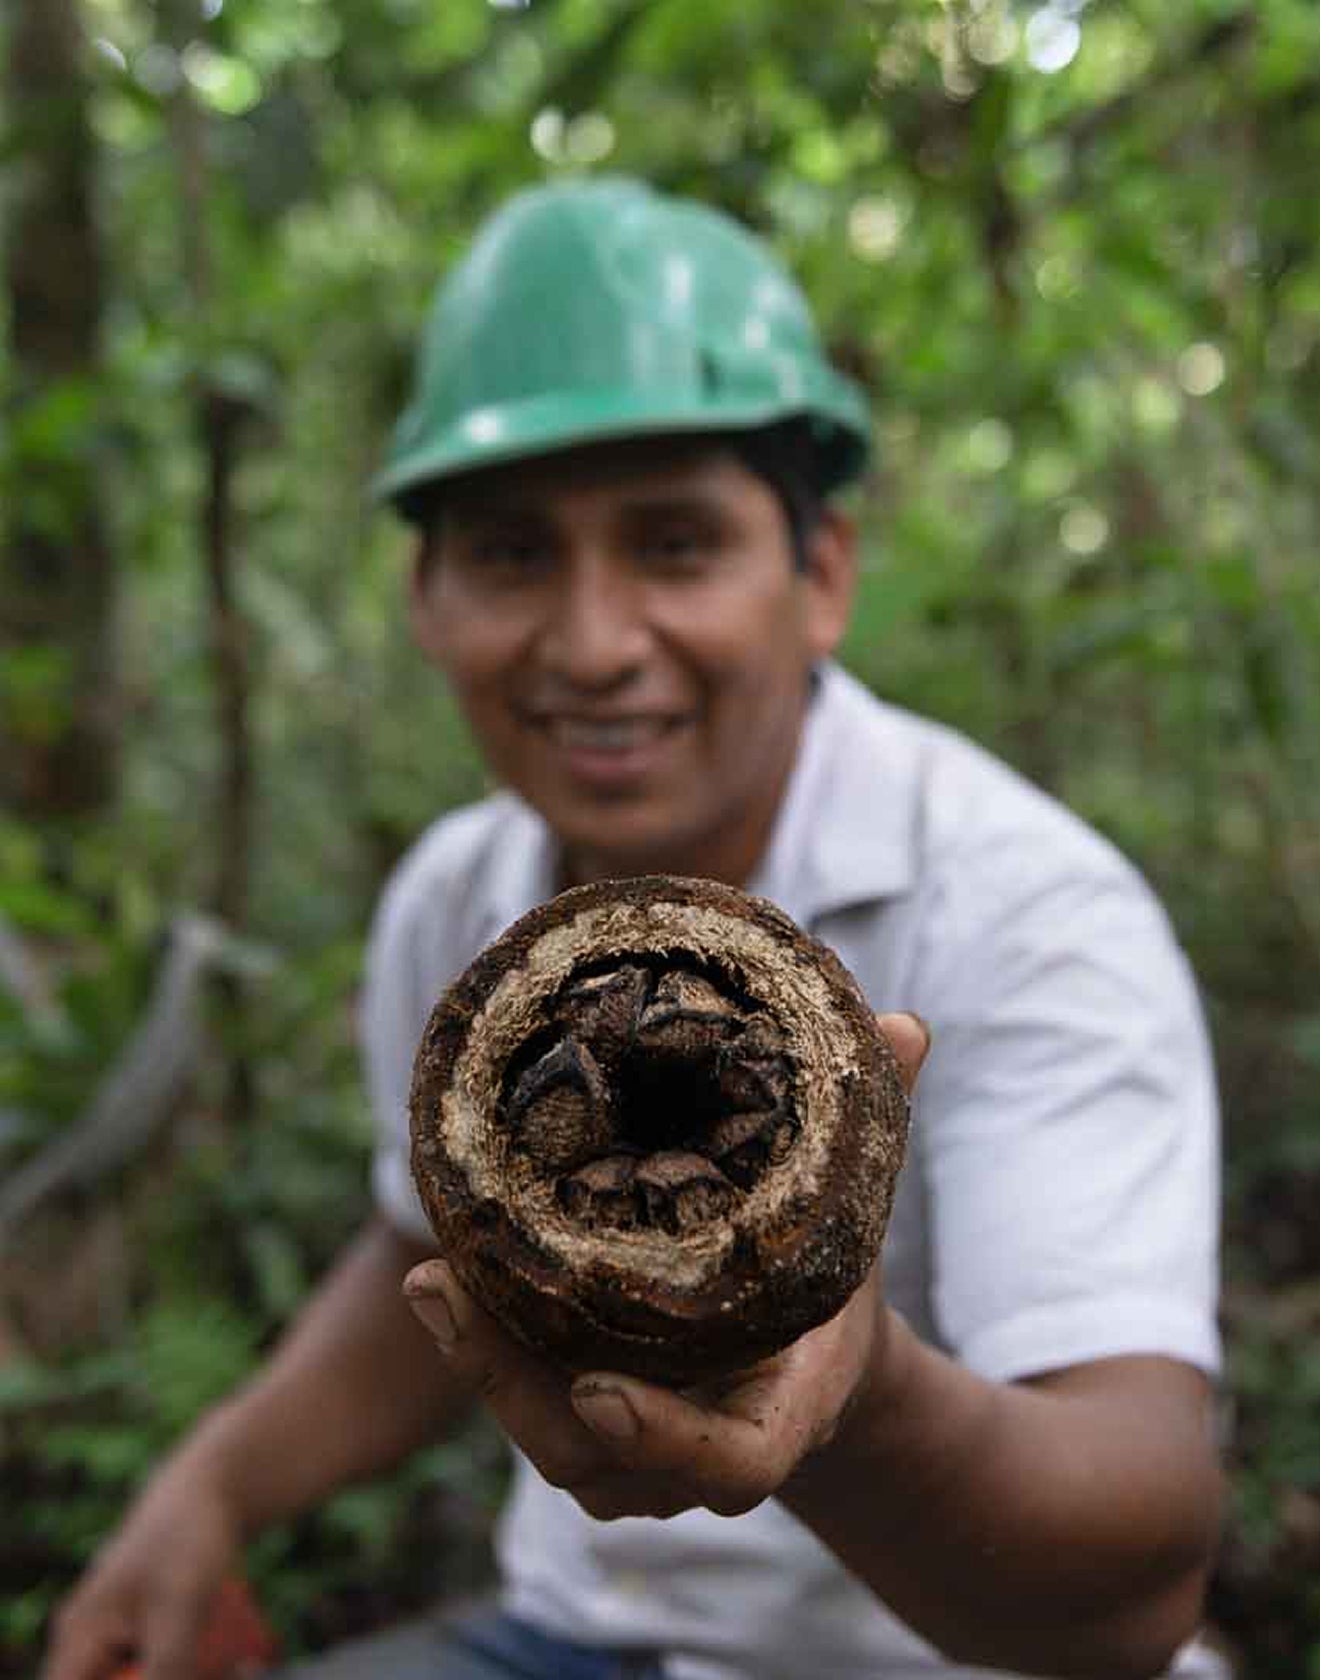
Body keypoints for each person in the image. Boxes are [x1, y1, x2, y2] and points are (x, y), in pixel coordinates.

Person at [44, 177, 1223, 1680]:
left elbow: (1134, 1585)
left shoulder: (1028, 912)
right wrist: (203, 1490)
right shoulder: (459, 897)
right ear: (426, 597)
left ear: (822, 578)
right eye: (514, 555)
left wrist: (857, 1394)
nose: (595, 645)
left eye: (674, 545)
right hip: (573, 1643)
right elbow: (420, 1259)